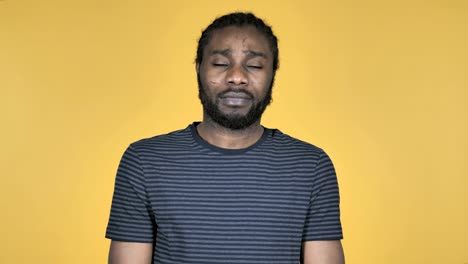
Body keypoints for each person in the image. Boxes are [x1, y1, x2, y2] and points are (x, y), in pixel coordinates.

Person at [106, 12, 344, 264]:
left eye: (254, 66)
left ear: (273, 74)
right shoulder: (144, 161)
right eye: (220, 63)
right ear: (198, 68)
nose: (237, 77)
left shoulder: (311, 166)